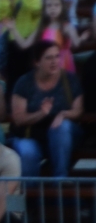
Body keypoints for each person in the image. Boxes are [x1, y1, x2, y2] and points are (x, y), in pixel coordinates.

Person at [10, 41, 83, 177]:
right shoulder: (24, 83)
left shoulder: (70, 79)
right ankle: (30, 190)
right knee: (27, 153)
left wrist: (63, 114)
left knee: (62, 127)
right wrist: (41, 113)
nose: (54, 62)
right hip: (30, 135)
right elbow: (19, 119)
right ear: (37, 62)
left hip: (63, 136)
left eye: (57, 56)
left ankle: (60, 180)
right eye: (49, 58)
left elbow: (78, 110)